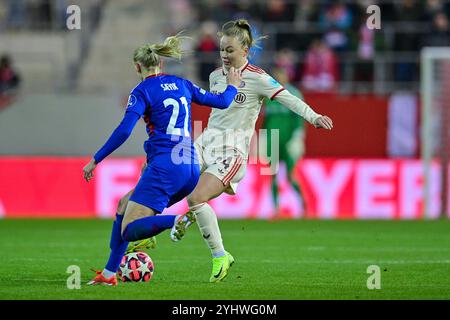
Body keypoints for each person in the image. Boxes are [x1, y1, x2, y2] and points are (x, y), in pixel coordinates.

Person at [126, 19, 333, 283]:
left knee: (196, 197)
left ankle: (220, 255)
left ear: (245, 51)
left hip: (231, 152)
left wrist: (313, 117)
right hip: (205, 143)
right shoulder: (215, 76)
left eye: (230, 50)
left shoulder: (258, 78)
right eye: (222, 50)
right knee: (163, 174)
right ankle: (150, 232)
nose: (224, 55)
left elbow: (289, 98)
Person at [82, 33, 242, 286]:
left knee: (129, 229)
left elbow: (124, 130)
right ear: (161, 63)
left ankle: (176, 220)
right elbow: (222, 101)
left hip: (165, 166)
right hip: (190, 167)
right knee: (124, 206)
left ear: (137, 66)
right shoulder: (182, 84)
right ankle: (109, 274)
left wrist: (96, 159)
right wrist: (232, 84)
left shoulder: (142, 91)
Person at [262, 67, 306, 219]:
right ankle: (276, 209)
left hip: (288, 141)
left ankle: (304, 206)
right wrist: (262, 137)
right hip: (272, 140)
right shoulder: (269, 95)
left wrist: (298, 135)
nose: (279, 78)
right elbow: (266, 120)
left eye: (281, 75)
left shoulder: (294, 94)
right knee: (272, 175)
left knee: (290, 175)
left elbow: (299, 117)